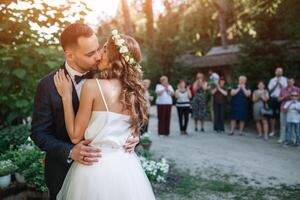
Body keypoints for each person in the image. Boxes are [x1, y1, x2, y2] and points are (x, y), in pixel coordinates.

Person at [30, 24, 139, 200]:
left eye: (98, 50)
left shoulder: (109, 73)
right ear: (70, 55)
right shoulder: (47, 85)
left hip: (109, 176)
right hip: (62, 173)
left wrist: (134, 136)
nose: (97, 57)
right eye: (90, 54)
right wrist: (69, 151)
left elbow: (134, 113)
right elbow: (39, 133)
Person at [54, 30, 155, 199]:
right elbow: (132, 130)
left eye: (105, 50)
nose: (100, 54)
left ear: (116, 58)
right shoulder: (133, 93)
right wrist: (135, 135)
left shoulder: (92, 86)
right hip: (126, 168)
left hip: (94, 166)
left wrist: (66, 96)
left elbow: (75, 136)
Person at [278, 78, 300, 143]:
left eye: (290, 82)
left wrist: (293, 97)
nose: (289, 83)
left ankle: (293, 139)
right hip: (284, 108)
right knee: (283, 124)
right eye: (288, 82)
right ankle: (282, 138)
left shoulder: (297, 89)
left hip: (294, 109)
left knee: (293, 124)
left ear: (293, 82)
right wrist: (284, 96)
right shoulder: (283, 89)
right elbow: (278, 99)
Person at [268, 67, 288, 137]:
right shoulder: (272, 80)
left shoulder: (285, 79)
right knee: (272, 115)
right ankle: (272, 131)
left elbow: (286, 90)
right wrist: (276, 84)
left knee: (282, 115)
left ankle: (282, 132)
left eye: (280, 71)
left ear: (282, 72)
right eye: (278, 71)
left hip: (282, 99)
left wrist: (280, 84)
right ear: (275, 72)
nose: (279, 72)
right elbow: (270, 91)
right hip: (273, 98)